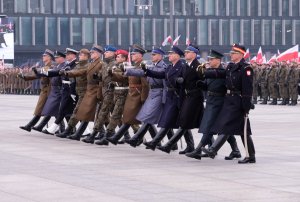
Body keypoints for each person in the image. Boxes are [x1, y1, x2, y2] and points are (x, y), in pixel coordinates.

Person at [201, 44, 256, 164]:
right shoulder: (231, 66)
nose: (231, 55)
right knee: (243, 131)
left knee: (226, 125)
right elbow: (220, 74)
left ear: (241, 55)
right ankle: (251, 156)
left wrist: (246, 106)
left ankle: (213, 149)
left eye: (233, 53)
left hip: (238, 101)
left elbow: (248, 90)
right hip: (229, 100)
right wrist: (205, 73)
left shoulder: (246, 68)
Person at [185, 50, 241, 160]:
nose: (209, 61)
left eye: (211, 59)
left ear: (218, 60)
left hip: (219, 102)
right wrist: (201, 85)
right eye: (209, 59)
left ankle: (198, 150)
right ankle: (235, 150)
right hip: (211, 101)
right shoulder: (210, 71)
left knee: (209, 127)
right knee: (222, 129)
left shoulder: (223, 72)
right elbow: (207, 85)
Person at [125, 47, 174, 148]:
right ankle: (173, 144)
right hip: (152, 93)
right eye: (152, 54)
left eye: (154, 55)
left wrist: (165, 98)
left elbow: (163, 81)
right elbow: (141, 72)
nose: (152, 56)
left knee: (148, 117)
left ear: (160, 56)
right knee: (163, 120)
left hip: (159, 94)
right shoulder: (151, 65)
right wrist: (128, 71)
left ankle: (135, 138)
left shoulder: (164, 66)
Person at [100, 44, 149, 145]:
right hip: (131, 94)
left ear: (140, 55)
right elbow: (123, 77)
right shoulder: (134, 66)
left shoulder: (142, 66)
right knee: (129, 118)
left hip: (136, 95)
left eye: (134, 54)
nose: (132, 56)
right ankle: (137, 138)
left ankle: (109, 137)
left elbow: (144, 84)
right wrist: (112, 75)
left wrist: (143, 98)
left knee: (121, 116)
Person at [57, 45, 104, 138]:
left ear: (98, 54)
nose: (91, 54)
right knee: (85, 112)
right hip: (89, 92)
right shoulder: (92, 64)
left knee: (97, 113)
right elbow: (80, 72)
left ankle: (74, 132)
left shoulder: (101, 64)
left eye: (93, 53)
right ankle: (99, 133)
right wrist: (67, 73)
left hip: (95, 91)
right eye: (91, 53)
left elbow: (102, 78)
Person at [18, 49, 53, 132]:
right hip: (44, 91)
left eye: (45, 56)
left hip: (48, 91)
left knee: (49, 110)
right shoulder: (45, 66)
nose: (43, 57)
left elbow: (40, 74)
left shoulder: (51, 67)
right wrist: (24, 76)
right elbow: (36, 75)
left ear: (49, 57)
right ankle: (32, 126)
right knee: (48, 110)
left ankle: (31, 125)